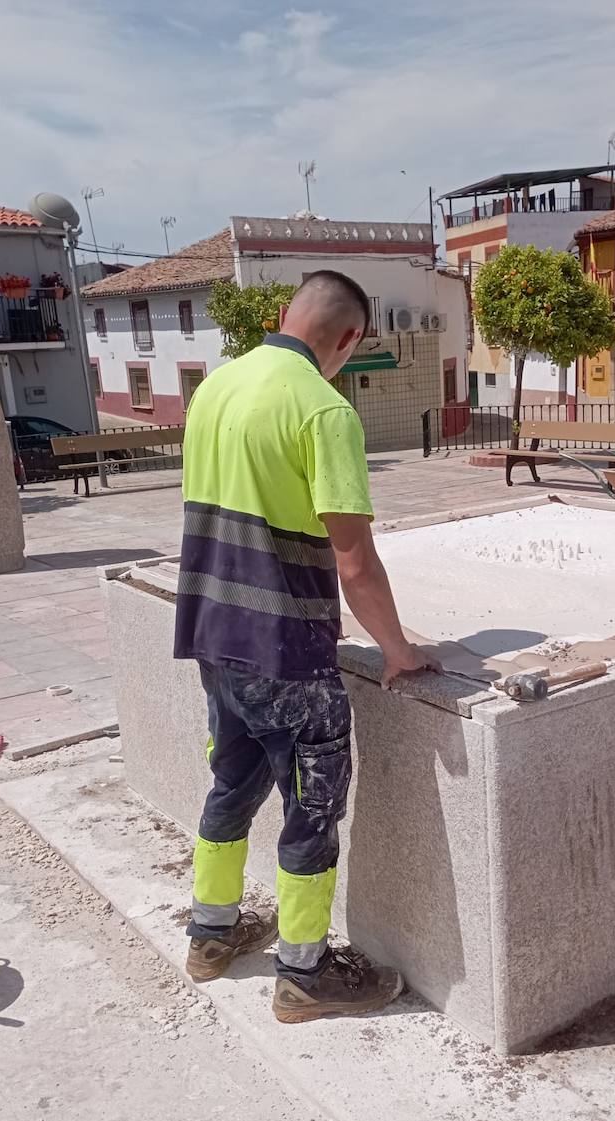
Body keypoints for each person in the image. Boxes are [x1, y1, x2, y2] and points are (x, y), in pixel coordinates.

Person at [174, 270, 440, 1023]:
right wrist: (397, 649)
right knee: (311, 809)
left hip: (212, 633)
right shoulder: (324, 410)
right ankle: (303, 973)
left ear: (282, 315)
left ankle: (211, 935)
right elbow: (352, 559)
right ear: (349, 338)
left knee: (230, 784)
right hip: (284, 647)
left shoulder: (217, 388)